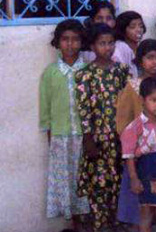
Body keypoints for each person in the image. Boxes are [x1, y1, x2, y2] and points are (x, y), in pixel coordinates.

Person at [75, 23, 130, 230]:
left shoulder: (122, 71)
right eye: (102, 44)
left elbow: (128, 103)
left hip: (120, 137)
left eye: (110, 43)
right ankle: (99, 224)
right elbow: (84, 109)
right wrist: (88, 139)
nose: (107, 48)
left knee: (119, 182)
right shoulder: (84, 75)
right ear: (92, 46)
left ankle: (117, 222)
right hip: (97, 139)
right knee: (99, 184)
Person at [116, 39, 156, 227]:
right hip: (139, 154)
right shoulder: (132, 86)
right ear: (140, 60)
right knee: (141, 204)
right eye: (150, 58)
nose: (154, 62)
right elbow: (123, 121)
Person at [39, 19, 89, 230]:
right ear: (58, 43)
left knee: (84, 178)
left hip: (85, 136)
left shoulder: (88, 70)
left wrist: (91, 133)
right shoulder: (50, 73)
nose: (70, 44)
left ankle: (86, 221)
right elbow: (46, 106)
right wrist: (50, 134)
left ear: (82, 42)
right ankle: (72, 222)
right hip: (60, 136)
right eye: (65, 40)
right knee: (66, 179)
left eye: (75, 40)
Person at [121, 77, 156, 232]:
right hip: (147, 172)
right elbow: (129, 155)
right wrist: (134, 179)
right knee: (146, 211)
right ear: (142, 100)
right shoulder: (135, 127)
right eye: (153, 100)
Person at [114, 11, 146, 75]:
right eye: (132, 27)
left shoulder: (142, 47)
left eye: (141, 26)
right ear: (123, 29)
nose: (138, 30)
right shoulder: (119, 47)